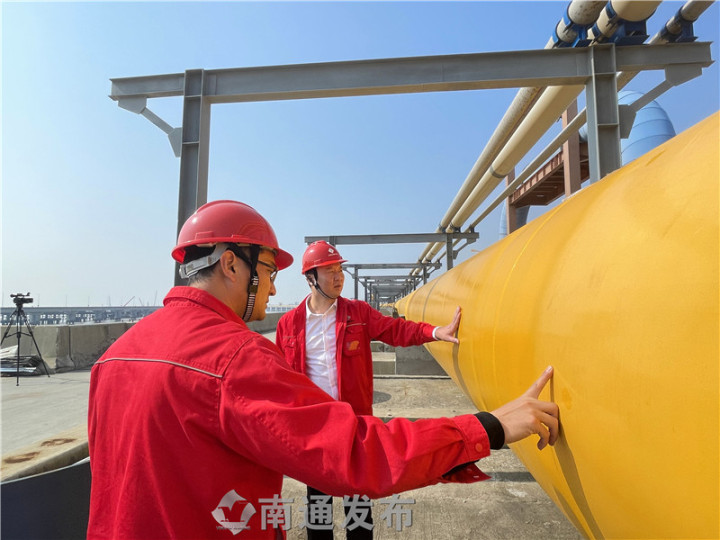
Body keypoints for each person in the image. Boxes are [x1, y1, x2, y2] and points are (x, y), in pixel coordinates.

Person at [87, 200, 560, 540]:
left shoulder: (113, 357)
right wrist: (488, 427)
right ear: (231, 265)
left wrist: (434, 333)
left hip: (313, 427)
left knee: (354, 517)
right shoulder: (237, 356)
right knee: (319, 511)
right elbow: (357, 452)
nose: (273, 288)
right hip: (319, 435)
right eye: (269, 271)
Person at [275, 241, 462, 539]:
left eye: (340, 270)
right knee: (318, 505)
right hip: (315, 428)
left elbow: (395, 330)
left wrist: (435, 332)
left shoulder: (357, 313)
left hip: (354, 424)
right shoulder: (289, 325)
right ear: (311, 278)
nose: (338, 277)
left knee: (358, 505)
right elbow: (280, 377)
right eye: (329, 271)